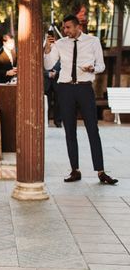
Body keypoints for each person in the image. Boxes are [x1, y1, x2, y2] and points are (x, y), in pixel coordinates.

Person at [44, 14, 117, 185]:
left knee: (93, 129)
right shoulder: (60, 43)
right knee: (70, 130)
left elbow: (101, 66)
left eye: (68, 27)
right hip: (65, 88)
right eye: (64, 27)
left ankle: (101, 171)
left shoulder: (93, 41)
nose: (65, 30)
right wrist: (47, 49)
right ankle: (75, 170)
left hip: (85, 88)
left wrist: (92, 68)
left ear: (78, 27)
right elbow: (48, 65)